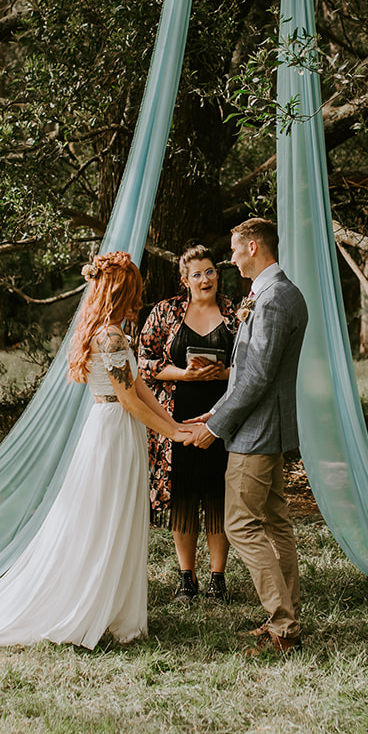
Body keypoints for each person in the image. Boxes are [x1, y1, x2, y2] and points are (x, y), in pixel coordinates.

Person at [0, 252, 188, 655]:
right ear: (119, 292)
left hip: (117, 429)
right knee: (105, 519)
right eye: (134, 290)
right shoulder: (110, 337)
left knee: (118, 517)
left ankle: (115, 606)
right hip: (113, 430)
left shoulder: (112, 332)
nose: (140, 297)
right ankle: (92, 603)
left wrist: (175, 424)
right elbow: (129, 400)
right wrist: (175, 435)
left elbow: (140, 388)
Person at [182, 217, 308, 654]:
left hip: (256, 433)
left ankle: (283, 627)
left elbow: (254, 380)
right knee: (275, 522)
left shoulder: (272, 300)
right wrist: (212, 412)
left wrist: (215, 428)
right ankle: (287, 617)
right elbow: (249, 377)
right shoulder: (278, 293)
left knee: (240, 524)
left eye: (234, 250)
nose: (230, 259)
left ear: (253, 247)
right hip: (268, 428)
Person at [138, 243, 239, 604]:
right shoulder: (165, 312)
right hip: (176, 418)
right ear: (185, 279)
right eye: (196, 274)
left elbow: (251, 362)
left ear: (218, 274)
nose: (205, 279)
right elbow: (144, 361)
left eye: (210, 271)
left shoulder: (235, 312)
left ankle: (217, 578)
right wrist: (183, 373)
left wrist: (224, 371)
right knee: (183, 495)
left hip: (223, 417)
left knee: (217, 495)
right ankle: (186, 578)